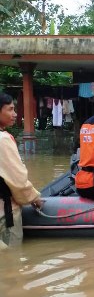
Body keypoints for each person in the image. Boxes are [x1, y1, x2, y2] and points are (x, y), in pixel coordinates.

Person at [0, 92, 44, 247]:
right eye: (10, 109)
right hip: (4, 212)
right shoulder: (3, 139)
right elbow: (18, 179)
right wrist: (34, 197)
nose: (15, 114)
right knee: (11, 260)